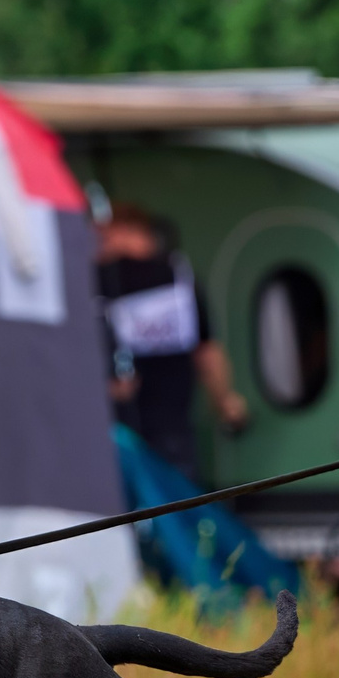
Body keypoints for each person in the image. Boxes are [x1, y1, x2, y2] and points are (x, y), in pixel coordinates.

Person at [96, 203, 249, 480]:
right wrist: (226, 402)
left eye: (102, 235)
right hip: (168, 426)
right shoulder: (179, 276)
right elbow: (208, 354)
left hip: (112, 425)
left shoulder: (90, 282)